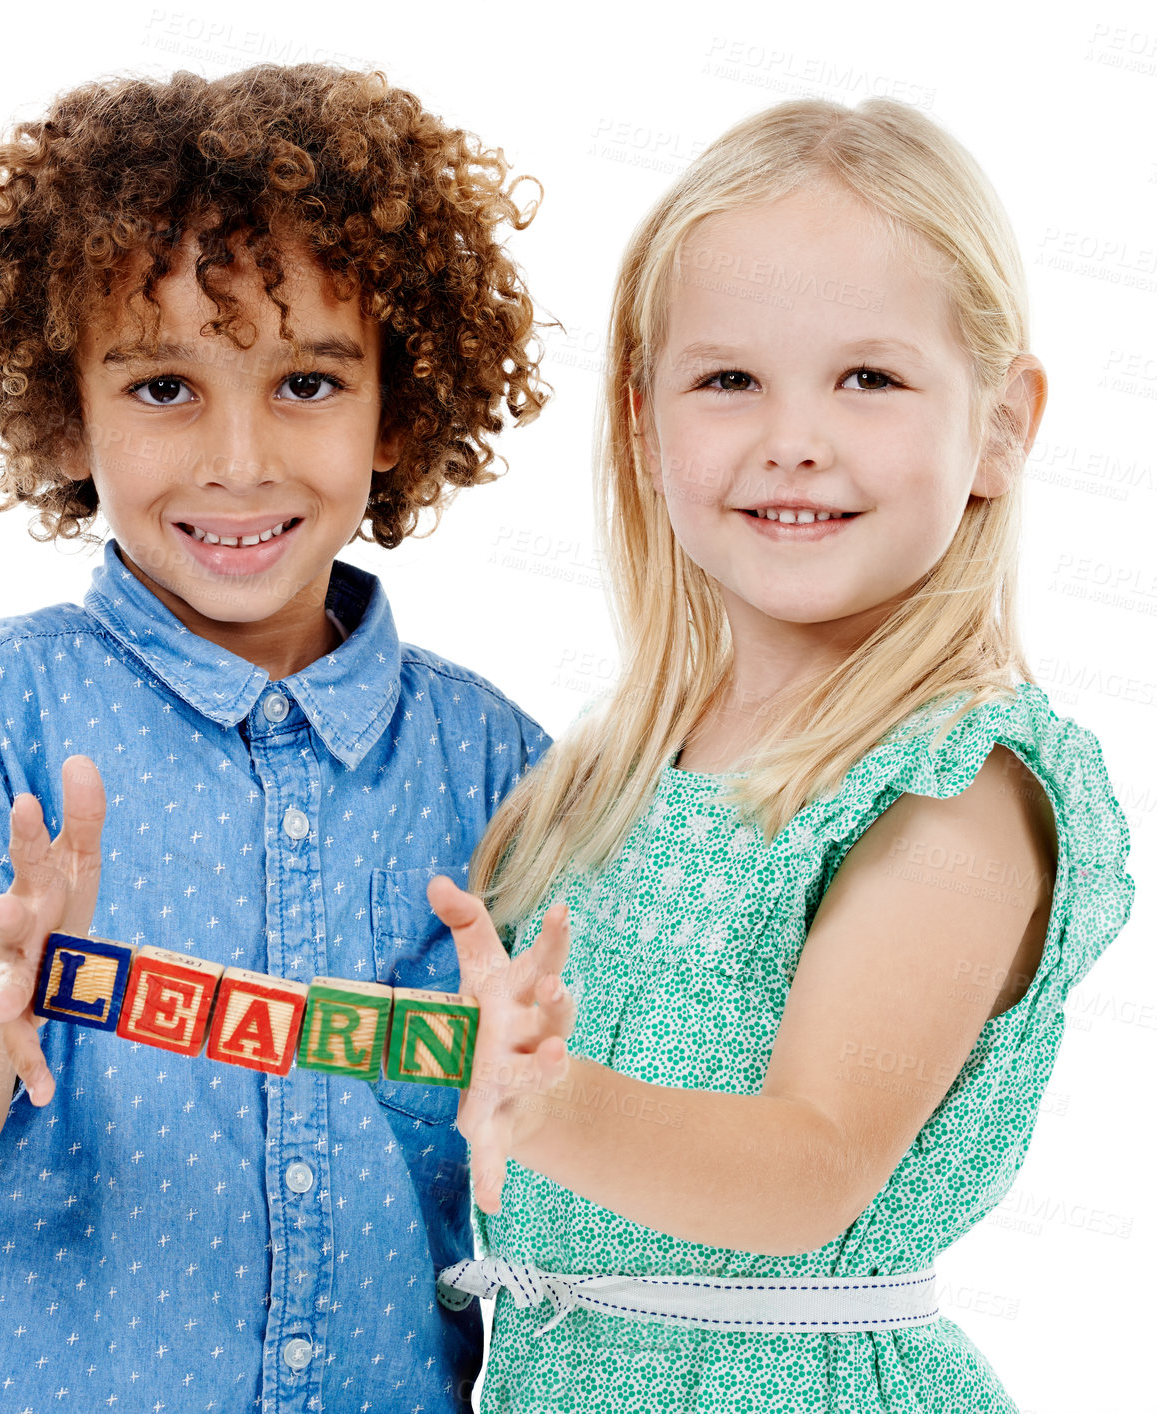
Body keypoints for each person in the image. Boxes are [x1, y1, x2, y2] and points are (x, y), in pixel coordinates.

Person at [0, 64, 550, 1413]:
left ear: (399, 406)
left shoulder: (496, 768)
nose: (238, 457)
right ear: (64, 404)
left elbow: (555, 1157)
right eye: (162, 388)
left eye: (309, 381)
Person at [426, 97, 1137, 1412]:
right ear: (644, 424)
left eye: (866, 377)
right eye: (727, 378)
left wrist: (541, 1104)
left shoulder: (954, 783)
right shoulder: (615, 765)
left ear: (998, 423)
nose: (791, 434)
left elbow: (811, 1164)